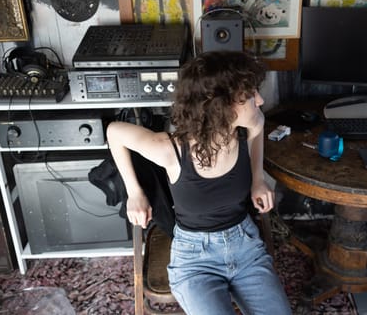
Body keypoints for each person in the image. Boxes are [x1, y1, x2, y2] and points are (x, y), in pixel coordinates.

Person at [107, 50, 291, 314]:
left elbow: (259, 126)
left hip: (245, 246)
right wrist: (134, 193)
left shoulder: (245, 128)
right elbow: (115, 132)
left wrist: (258, 179)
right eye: (251, 95)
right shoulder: (171, 150)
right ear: (222, 105)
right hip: (195, 259)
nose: (260, 100)